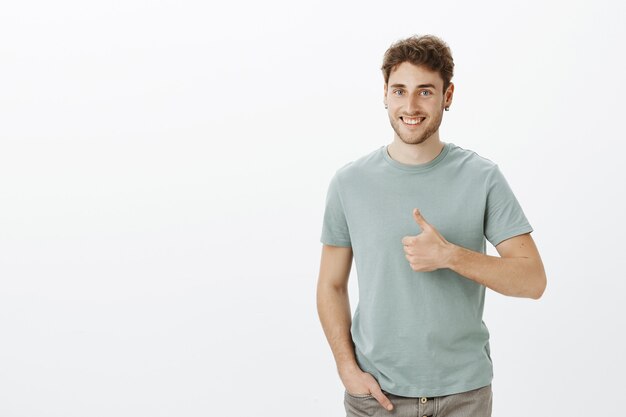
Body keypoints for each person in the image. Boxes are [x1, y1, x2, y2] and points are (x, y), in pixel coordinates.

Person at [316, 34, 547, 417]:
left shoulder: (482, 177)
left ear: (448, 96)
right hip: (376, 396)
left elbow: (532, 280)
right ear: (385, 94)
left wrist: (450, 256)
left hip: (464, 395)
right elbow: (330, 284)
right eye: (399, 90)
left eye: (425, 92)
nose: (410, 106)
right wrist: (346, 368)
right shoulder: (349, 183)